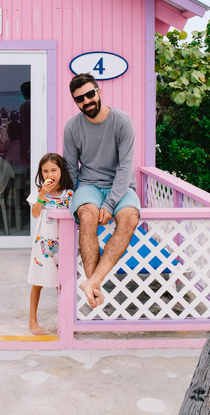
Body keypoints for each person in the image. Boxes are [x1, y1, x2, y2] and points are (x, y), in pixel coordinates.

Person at [63, 72, 141, 310]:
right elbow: (70, 168)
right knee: (87, 215)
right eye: (80, 99)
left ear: (99, 92)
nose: (86, 101)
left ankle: (92, 282)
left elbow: (126, 167)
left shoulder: (122, 121)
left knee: (129, 219)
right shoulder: (72, 127)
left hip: (121, 184)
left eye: (89, 94)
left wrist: (109, 205)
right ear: (75, 102)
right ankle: (94, 291)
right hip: (89, 186)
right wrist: (74, 198)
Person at [27, 153, 73, 335]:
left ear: (61, 171)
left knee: (62, 283)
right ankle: (32, 320)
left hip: (64, 243)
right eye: (45, 171)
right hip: (43, 244)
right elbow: (35, 213)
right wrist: (43, 194)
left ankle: (66, 321)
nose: (49, 175)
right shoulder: (40, 192)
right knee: (38, 282)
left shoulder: (69, 193)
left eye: (54, 170)